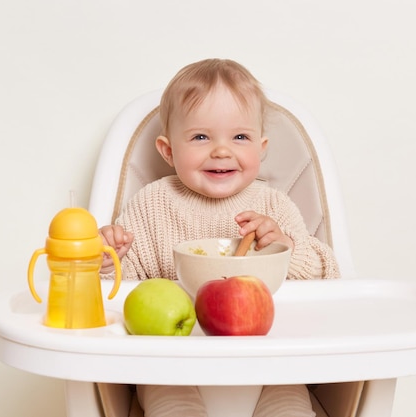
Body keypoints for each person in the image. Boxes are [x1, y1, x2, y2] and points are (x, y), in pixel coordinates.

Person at [99, 58, 340, 416]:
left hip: (268, 358)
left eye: (240, 137)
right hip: (172, 362)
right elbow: (123, 293)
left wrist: (285, 247)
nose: (221, 150)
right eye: (200, 137)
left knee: (288, 403)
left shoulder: (274, 206)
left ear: (261, 147)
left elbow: (329, 277)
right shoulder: (152, 204)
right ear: (168, 151)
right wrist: (107, 259)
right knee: (171, 404)